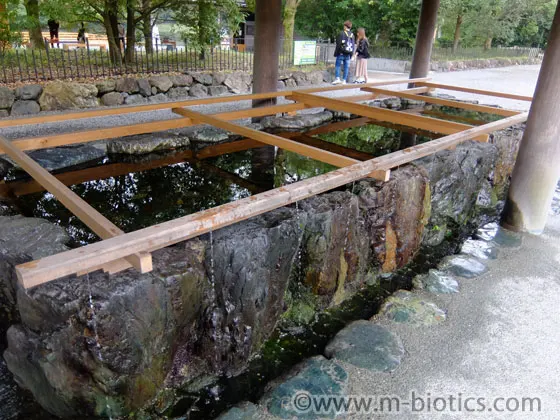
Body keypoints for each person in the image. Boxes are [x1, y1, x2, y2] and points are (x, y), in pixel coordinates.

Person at [332, 20, 355, 85]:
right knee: (346, 67)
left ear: (345, 26)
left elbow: (338, 44)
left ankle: (337, 78)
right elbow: (353, 45)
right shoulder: (352, 35)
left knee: (338, 65)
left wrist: (336, 53)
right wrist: (351, 54)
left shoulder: (341, 33)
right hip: (348, 54)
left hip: (341, 53)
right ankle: (344, 80)